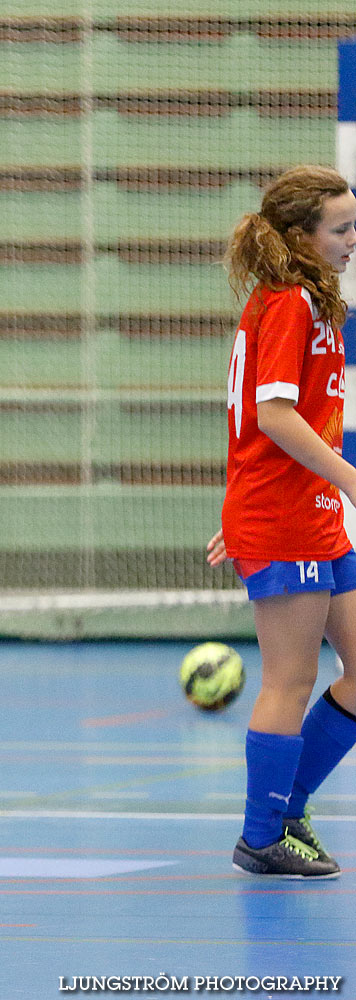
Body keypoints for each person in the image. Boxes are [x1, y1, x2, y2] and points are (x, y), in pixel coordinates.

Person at [205, 164, 356, 879]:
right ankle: (262, 834)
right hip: (288, 514)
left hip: (309, 511)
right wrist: (349, 479)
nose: (353, 240)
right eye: (341, 228)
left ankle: (284, 807)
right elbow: (270, 415)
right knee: (289, 680)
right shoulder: (288, 302)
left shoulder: (310, 302)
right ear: (301, 235)